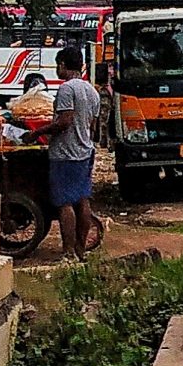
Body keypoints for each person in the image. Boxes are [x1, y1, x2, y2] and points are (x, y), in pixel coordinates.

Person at [45, 43, 106, 257]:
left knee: (64, 203)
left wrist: (39, 132)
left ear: (62, 64)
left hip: (65, 153)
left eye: (57, 65)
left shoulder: (66, 89)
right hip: (85, 151)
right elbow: (93, 126)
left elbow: (65, 121)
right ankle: (81, 249)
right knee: (82, 199)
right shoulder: (92, 90)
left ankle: (68, 250)